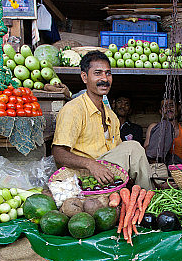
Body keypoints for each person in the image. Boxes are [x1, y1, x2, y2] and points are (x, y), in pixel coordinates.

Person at [52, 51, 152, 189]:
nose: (104, 79)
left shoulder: (111, 115)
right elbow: (58, 153)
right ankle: (148, 196)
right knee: (133, 147)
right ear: (85, 77)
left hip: (105, 172)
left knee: (132, 148)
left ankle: (144, 198)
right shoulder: (74, 109)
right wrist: (91, 164)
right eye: (98, 73)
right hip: (82, 174)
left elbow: (118, 151)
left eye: (108, 73)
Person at [144, 99, 182, 164]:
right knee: (165, 125)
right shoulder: (153, 127)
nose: (168, 109)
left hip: (175, 166)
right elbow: (147, 151)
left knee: (173, 158)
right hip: (157, 166)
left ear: (178, 108)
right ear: (161, 111)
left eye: (171, 105)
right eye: (165, 107)